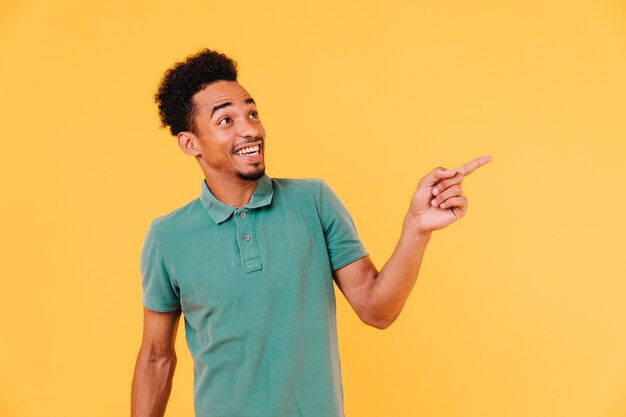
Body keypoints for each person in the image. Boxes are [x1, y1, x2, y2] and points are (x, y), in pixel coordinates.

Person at [130, 48, 492, 417]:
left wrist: (416, 229)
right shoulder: (167, 237)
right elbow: (156, 359)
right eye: (226, 120)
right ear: (190, 143)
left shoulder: (313, 201)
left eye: (252, 114)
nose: (250, 128)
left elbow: (377, 309)